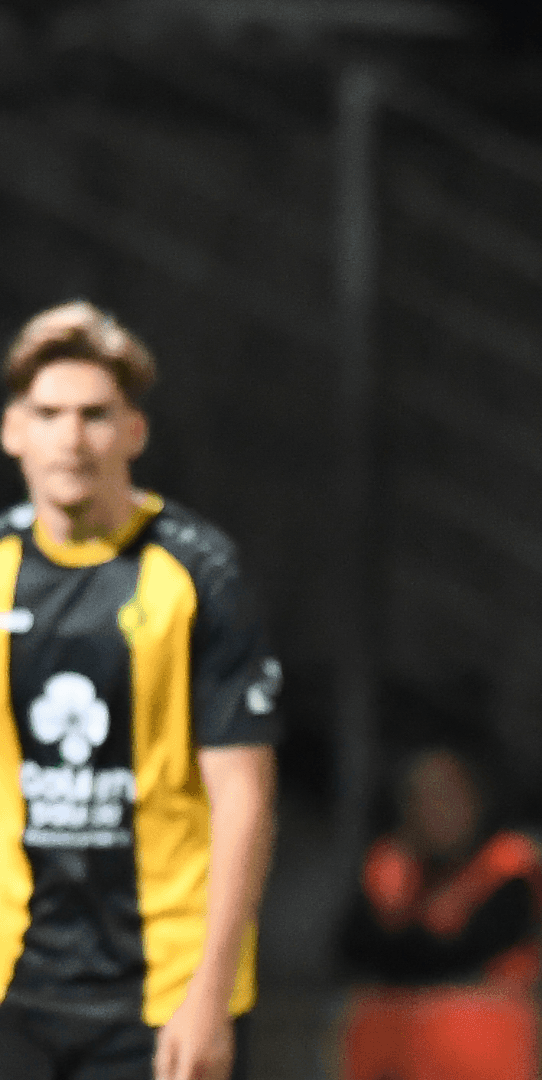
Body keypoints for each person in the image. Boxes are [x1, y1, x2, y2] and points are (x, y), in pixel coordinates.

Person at [0, 301, 282, 1080]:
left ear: (134, 432)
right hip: (16, 990)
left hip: (161, 998)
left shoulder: (199, 574)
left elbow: (245, 797)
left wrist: (210, 998)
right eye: (48, 414)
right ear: (12, 431)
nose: (71, 438)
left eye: (95, 415)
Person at [337, 747, 542, 1080]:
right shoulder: (392, 864)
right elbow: (351, 946)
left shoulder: (507, 864)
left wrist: (403, 939)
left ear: (475, 800)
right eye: (420, 798)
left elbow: (462, 953)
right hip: (391, 1061)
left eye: (446, 796)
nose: (434, 810)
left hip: (479, 1059)